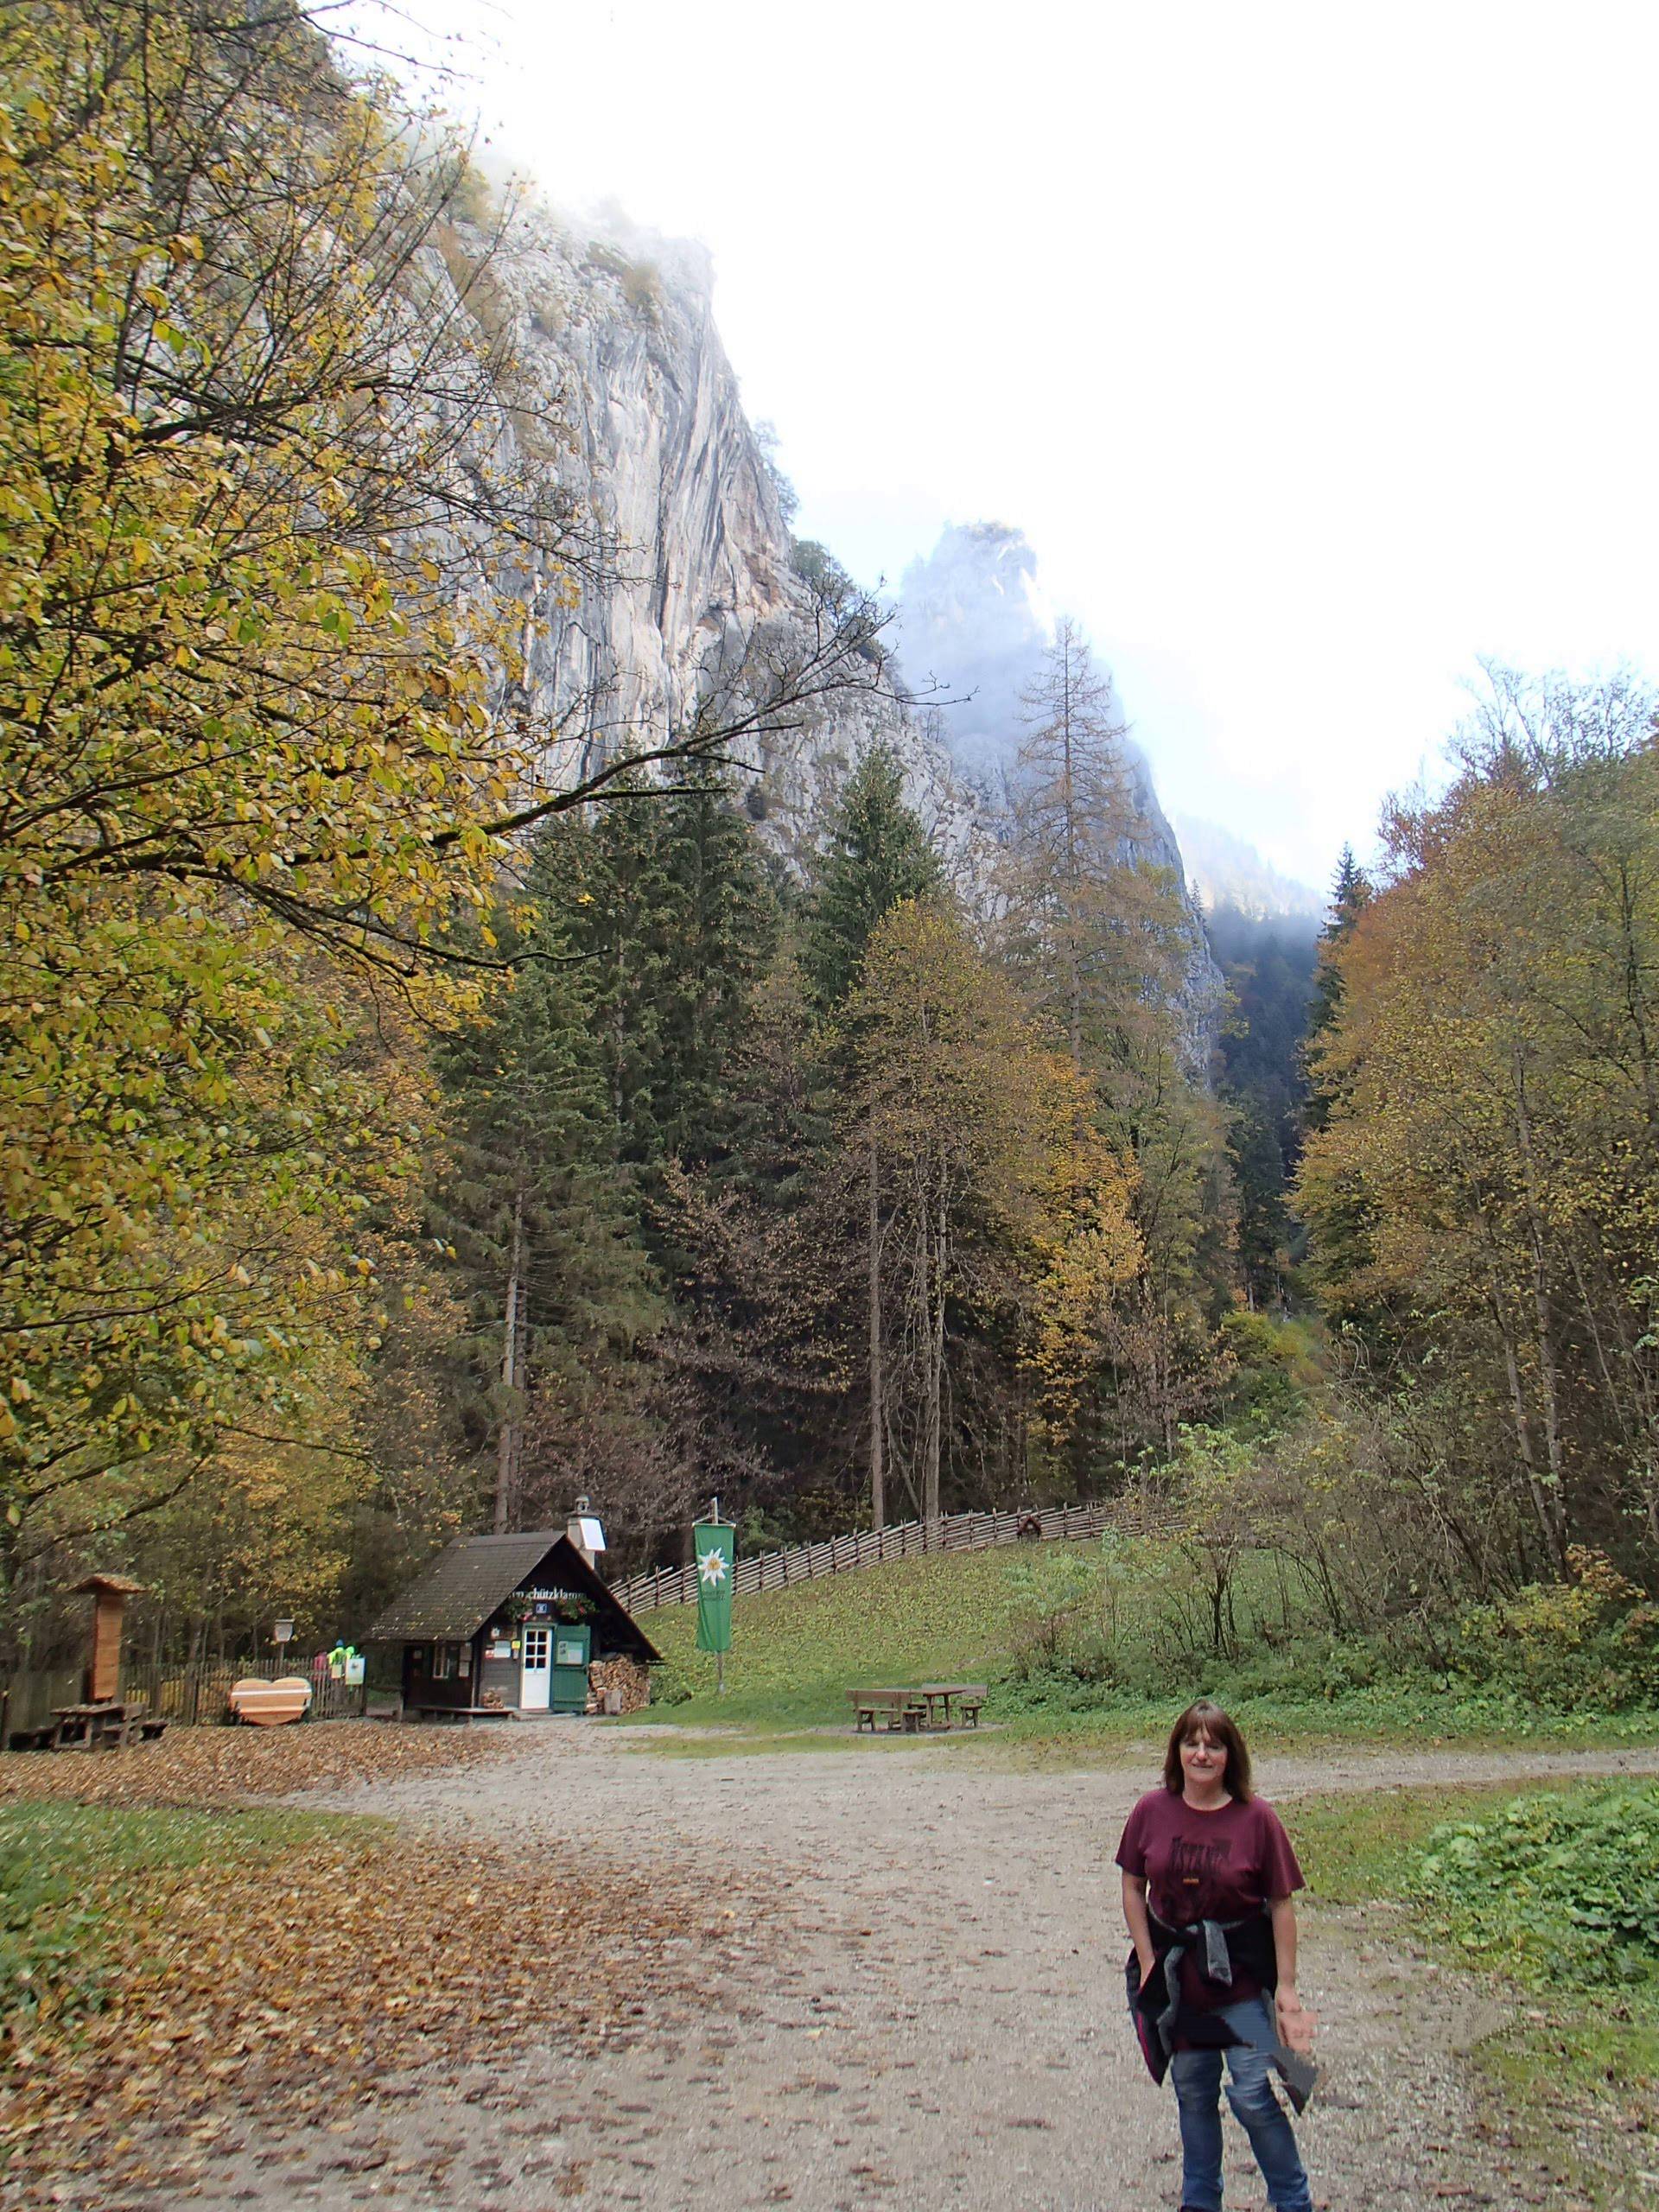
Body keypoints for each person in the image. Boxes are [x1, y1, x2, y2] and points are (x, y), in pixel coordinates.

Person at [1116, 1699, 1317, 2212]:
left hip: (1241, 1981)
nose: (1201, 1753)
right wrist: (1147, 1960)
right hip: (1182, 1982)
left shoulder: (1257, 1819)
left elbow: (1281, 1903)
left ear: (1231, 1755)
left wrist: (1288, 1989)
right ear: (1177, 1751)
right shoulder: (1150, 1811)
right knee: (1193, 2092)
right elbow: (1132, 1884)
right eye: (1192, 1743)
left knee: (1252, 2094)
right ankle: (1200, 2200)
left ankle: (1292, 2200)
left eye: (1214, 1744)